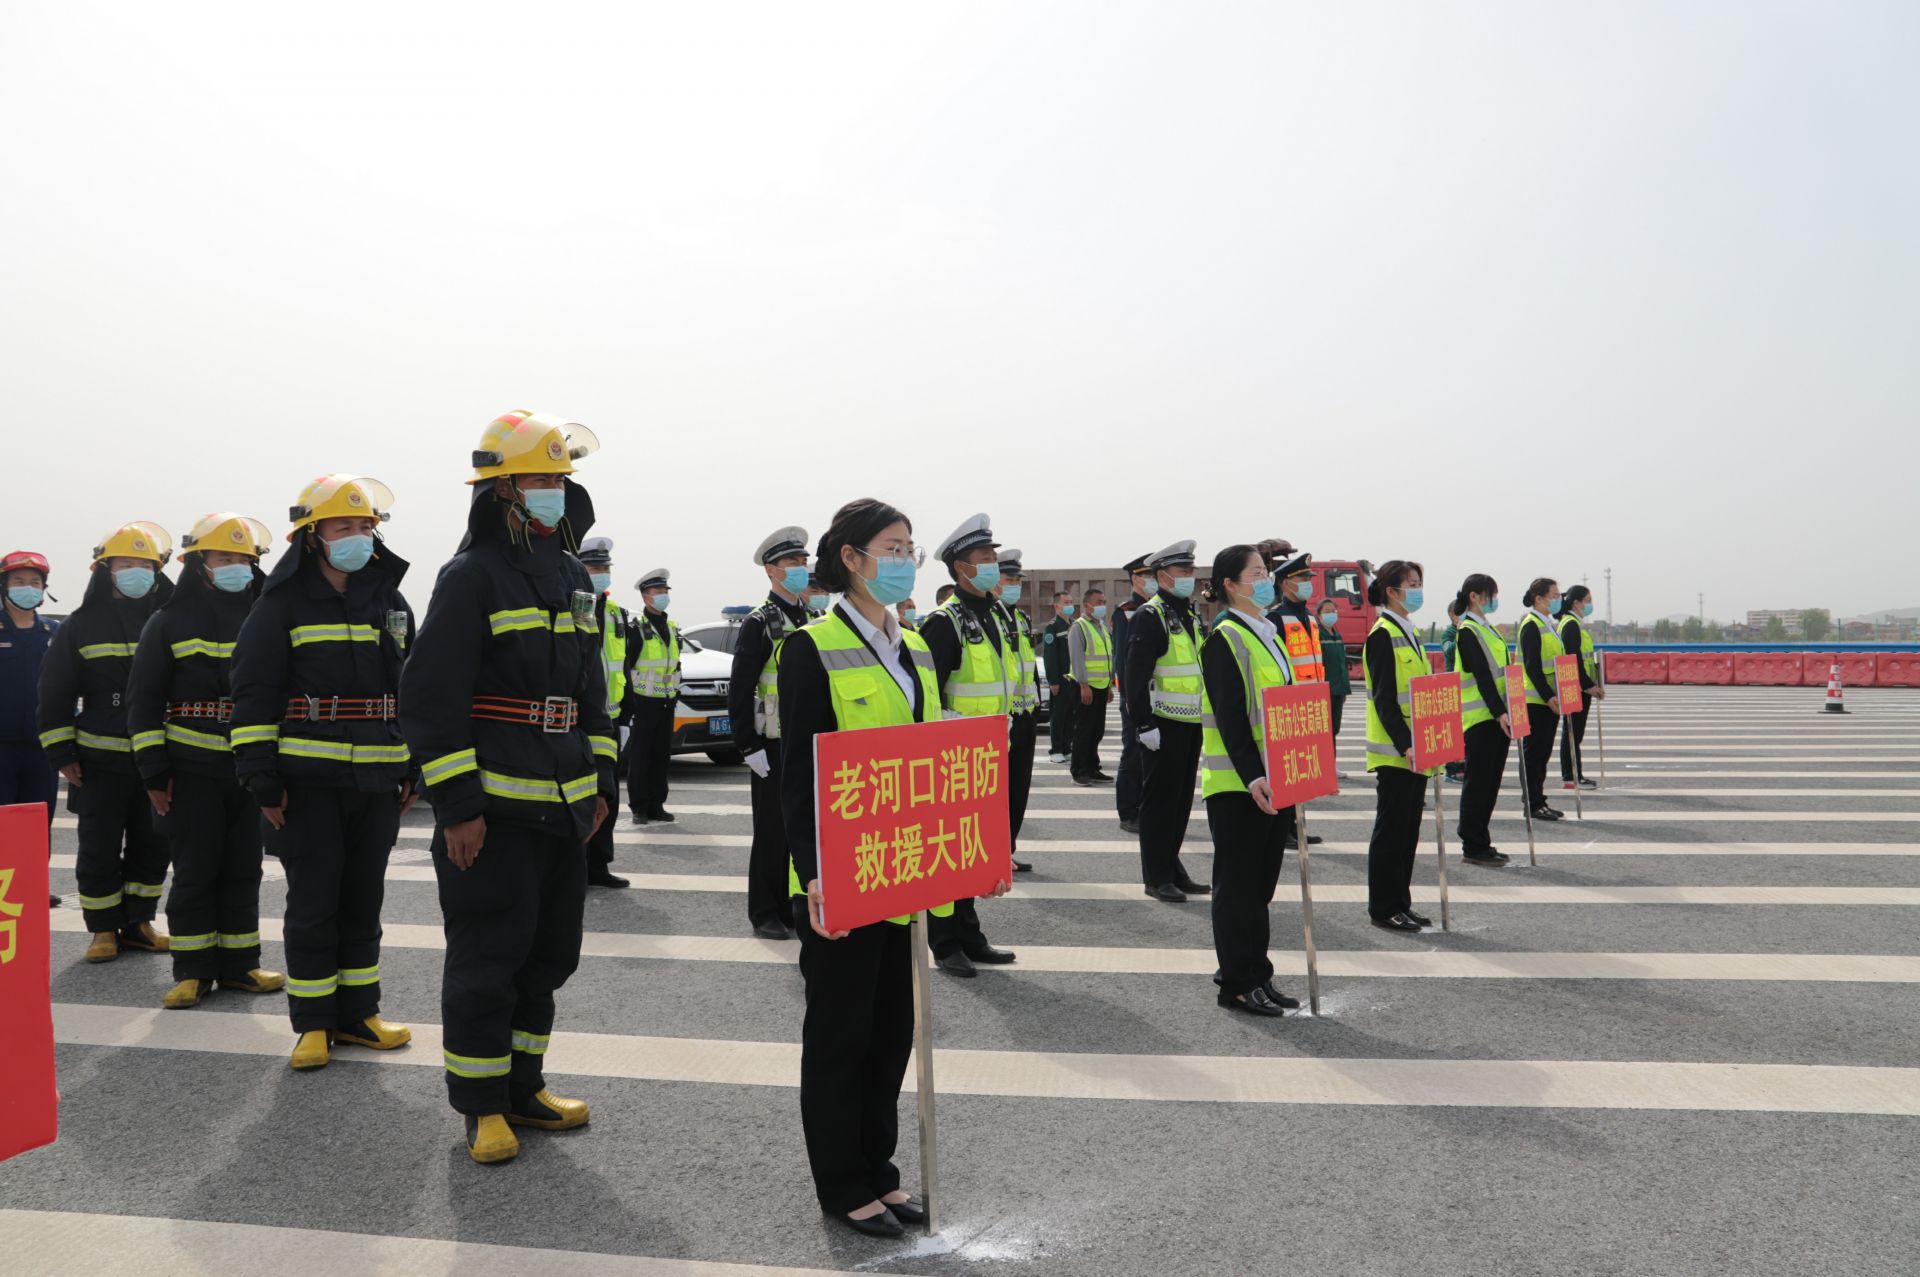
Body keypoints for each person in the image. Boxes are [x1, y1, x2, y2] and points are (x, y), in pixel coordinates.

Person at [779, 498, 1008, 1239]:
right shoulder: (809, 647)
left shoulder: (912, 648)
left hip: (902, 872)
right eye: (894, 544)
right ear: (851, 556)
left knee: (891, 1031)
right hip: (839, 878)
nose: (906, 557)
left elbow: (937, 763)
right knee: (841, 1034)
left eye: (910, 544)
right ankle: (842, 1184)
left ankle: (878, 1170)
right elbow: (798, 777)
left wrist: (979, 850)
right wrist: (812, 871)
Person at [401, 409, 615, 1165]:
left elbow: (593, 688)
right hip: (492, 811)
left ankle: (524, 1085)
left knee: (548, 955)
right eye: (538, 479)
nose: (553, 492)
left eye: (561, 478)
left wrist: (602, 784)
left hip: (562, 805)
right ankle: (482, 1105)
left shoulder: (569, 574)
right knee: (488, 958)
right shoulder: (470, 577)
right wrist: (458, 805)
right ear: (501, 493)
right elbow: (430, 698)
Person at [230, 476, 415, 1070]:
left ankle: (360, 1014)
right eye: (344, 527)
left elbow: (410, 685)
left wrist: (415, 762)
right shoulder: (279, 605)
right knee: (314, 903)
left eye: (366, 527)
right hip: (306, 784)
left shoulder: (390, 600)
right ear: (313, 537)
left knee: (363, 902)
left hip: (378, 782)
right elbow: (253, 694)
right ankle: (312, 1022)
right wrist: (260, 776)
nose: (358, 537)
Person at [127, 513, 286, 1008]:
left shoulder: (267, 616)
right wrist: (154, 772)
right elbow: (143, 701)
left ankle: (240, 965)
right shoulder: (167, 621)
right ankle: (193, 969)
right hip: (189, 769)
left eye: (243, 559)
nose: (236, 567)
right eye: (224, 558)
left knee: (244, 868)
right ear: (198, 565)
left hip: (247, 769)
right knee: (196, 870)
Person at [37, 522, 174, 963]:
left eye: (146, 565)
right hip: (97, 761)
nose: (137, 571)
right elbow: (54, 692)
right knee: (98, 847)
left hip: (158, 757)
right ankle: (102, 930)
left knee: (152, 846)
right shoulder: (80, 624)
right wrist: (62, 752)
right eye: (126, 564)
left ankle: (138, 923)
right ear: (105, 570)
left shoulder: (171, 619)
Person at [1199, 545, 1300, 1016]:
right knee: (1238, 890)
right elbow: (1232, 716)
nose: (1267, 580)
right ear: (1230, 585)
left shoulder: (1267, 633)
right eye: (1256, 573)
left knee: (1260, 888)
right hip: (1241, 786)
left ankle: (1255, 970)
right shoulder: (1226, 637)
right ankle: (1238, 984)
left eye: (1267, 572)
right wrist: (1253, 774)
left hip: (1275, 781)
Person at [917, 514, 1019, 977]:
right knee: (947, 851)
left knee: (972, 850)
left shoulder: (996, 613)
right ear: (961, 568)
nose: (994, 567)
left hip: (992, 753)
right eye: (985, 560)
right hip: (953, 756)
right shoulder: (944, 621)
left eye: (995, 559)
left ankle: (970, 933)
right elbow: (929, 695)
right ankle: (945, 942)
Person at [729, 525, 812, 940]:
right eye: (792, 562)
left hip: (808, 744)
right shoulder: (759, 622)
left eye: (803, 561)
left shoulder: (814, 619)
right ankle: (765, 912)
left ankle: (792, 908)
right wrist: (748, 745)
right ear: (771, 570)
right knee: (771, 832)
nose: (801, 568)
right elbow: (741, 688)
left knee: (801, 830)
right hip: (773, 745)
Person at [1124, 540, 1210, 903]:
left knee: (1179, 802)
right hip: (1162, 724)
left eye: (1192, 571)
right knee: (1159, 804)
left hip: (1190, 721)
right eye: (1183, 572)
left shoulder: (1188, 615)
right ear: (1162, 576)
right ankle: (1156, 877)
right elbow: (1134, 675)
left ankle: (1172, 867)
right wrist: (1144, 725)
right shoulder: (1151, 614)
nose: (1190, 578)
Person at [1362, 559, 1436, 934]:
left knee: (1408, 830)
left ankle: (1400, 902)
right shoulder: (1382, 634)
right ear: (1391, 591)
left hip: (1419, 750)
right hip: (1396, 752)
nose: (1417, 589)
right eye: (1410, 583)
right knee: (1391, 831)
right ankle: (1383, 906)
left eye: (1419, 582)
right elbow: (1384, 698)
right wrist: (1405, 743)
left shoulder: (1410, 631)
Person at [2, 550, 61, 906]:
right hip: (1, 746)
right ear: (4, 586)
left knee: (38, 820)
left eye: (34, 583)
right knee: (2, 818)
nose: (27, 588)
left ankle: (32, 883)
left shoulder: (54, 632)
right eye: (18, 582)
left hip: (43, 746)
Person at [576, 536, 630, 888]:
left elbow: (627, 665)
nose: (602, 574)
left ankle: (599, 864)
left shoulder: (616, 614)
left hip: (609, 717)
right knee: (580, 794)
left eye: (605, 568)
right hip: (577, 720)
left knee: (608, 795)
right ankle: (576, 865)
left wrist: (627, 717)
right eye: (595, 568)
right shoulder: (571, 606)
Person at [1263, 548, 1325, 848]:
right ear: (1286, 583)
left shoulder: (1309, 617)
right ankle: (1282, 829)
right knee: (1284, 772)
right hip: (1286, 704)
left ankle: (1297, 826)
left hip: (1309, 703)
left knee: (1300, 772)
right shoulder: (1276, 617)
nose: (1307, 584)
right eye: (1302, 579)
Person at [1452, 574, 1512, 867]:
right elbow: (1483, 676)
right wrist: (1500, 711)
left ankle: (1482, 840)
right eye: (1490, 594)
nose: (1494, 600)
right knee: (1478, 783)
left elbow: (1503, 672)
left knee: (1491, 783)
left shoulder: (1489, 630)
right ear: (1474, 596)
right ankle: (1472, 843)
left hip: (1499, 716)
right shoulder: (1468, 631)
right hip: (1481, 719)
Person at [993, 547, 1039, 875]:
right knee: (998, 790)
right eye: (1010, 579)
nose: (1015, 585)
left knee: (1018, 788)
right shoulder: (989, 617)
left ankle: (1007, 847)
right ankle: (995, 853)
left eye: (1018, 580)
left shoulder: (1019, 618)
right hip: (1001, 717)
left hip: (1025, 712)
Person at [625, 567, 680, 825]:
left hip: (667, 702)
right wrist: (630, 703)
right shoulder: (637, 628)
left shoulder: (671, 626)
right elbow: (628, 666)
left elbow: (675, 664)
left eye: (665, 591)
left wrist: (675, 694)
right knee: (641, 756)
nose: (662, 595)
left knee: (661, 755)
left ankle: (657, 805)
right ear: (646, 596)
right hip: (643, 702)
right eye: (658, 591)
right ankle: (639, 807)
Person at [1109, 552, 1155, 834]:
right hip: (1134, 697)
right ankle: (1128, 812)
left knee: (1151, 756)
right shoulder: (1126, 610)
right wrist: (1129, 697)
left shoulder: (1157, 609)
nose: (1152, 581)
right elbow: (1123, 658)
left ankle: (1146, 808)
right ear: (1135, 579)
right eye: (1148, 576)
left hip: (1158, 696)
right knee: (1133, 755)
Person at [1517, 577, 1568, 822]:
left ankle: (1539, 799)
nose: (1558, 600)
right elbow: (1532, 667)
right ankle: (1533, 802)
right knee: (1534, 755)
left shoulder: (1547, 624)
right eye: (1554, 595)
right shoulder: (1531, 625)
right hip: (1536, 700)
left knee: (1542, 754)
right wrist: (1549, 696)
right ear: (1539, 598)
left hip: (1550, 699)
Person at [1066, 587, 1114, 785]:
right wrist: (1083, 685)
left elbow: (1108, 657)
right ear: (1087, 605)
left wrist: (1110, 685)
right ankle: (1079, 770)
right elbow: (1077, 658)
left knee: (1097, 730)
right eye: (1098, 602)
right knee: (1084, 730)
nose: (1102, 605)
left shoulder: (1102, 627)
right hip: (1085, 686)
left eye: (1104, 601)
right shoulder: (1079, 626)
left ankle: (1093, 767)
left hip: (1102, 686)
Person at [1558, 584, 1603, 790]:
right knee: (1572, 732)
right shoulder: (1570, 624)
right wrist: (1587, 686)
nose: (1590, 604)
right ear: (1576, 603)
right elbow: (1573, 658)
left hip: (1578, 685)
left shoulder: (1574, 623)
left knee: (1575, 732)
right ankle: (1571, 776)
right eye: (1587, 600)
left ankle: (1575, 775)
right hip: (1575, 686)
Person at [1316, 598, 1351, 779]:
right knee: (1326, 730)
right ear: (1319, 615)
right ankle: (1326, 766)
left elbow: (1342, 664)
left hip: (1338, 690)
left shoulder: (1337, 634)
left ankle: (1330, 764)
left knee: (1333, 729)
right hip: (1324, 690)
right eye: (1327, 611)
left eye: (1333, 610)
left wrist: (1345, 689)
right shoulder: (1318, 635)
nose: (1331, 614)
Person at [1041, 590, 1075, 763]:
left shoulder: (1075, 624)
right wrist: (1053, 680)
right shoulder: (1052, 626)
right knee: (1058, 716)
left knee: (1071, 716)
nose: (1070, 606)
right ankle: (1056, 750)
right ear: (1057, 606)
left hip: (1074, 679)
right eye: (1066, 603)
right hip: (1061, 679)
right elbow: (1050, 656)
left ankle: (1067, 748)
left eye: (1071, 602)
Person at [1439, 599, 1467, 785]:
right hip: (1452, 684)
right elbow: (1449, 650)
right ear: (1452, 614)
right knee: (1452, 730)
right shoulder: (1449, 633)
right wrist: (1460, 634)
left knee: (1464, 731)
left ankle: (1462, 767)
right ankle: (1451, 769)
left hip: (1465, 685)